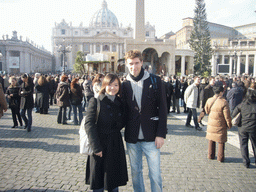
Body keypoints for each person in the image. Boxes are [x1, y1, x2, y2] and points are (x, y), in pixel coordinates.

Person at [121, 50, 167, 192]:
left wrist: (161, 134)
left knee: (155, 174)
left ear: (141, 62)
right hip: (132, 137)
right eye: (130, 64)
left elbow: (163, 109)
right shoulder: (123, 85)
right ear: (126, 65)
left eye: (136, 63)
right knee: (136, 173)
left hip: (152, 137)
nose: (133, 67)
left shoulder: (155, 80)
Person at [85, 74, 128, 191]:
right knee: (99, 183)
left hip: (115, 146)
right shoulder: (96, 101)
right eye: (109, 84)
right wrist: (96, 147)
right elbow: (89, 124)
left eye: (116, 85)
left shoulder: (120, 103)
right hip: (100, 146)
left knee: (113, 184)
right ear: (104, 85)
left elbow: (123, 122)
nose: (112, 88)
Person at [204, 85, 232, 162]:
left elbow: (206, 111)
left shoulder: (209, 100)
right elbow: (227, 116)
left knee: (211, 139)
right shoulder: (224, 102)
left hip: (211, 123)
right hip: (220, 123)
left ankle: (210, 155)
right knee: (221, 141)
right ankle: (220, 157)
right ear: (220, 92)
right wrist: (229, 124)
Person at [232, 89, 256, 168]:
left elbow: (233, 114)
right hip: (254, 128)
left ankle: (246, 162)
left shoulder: (242, 105)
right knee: (255, 144)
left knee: (243, 145)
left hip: (243, 127)